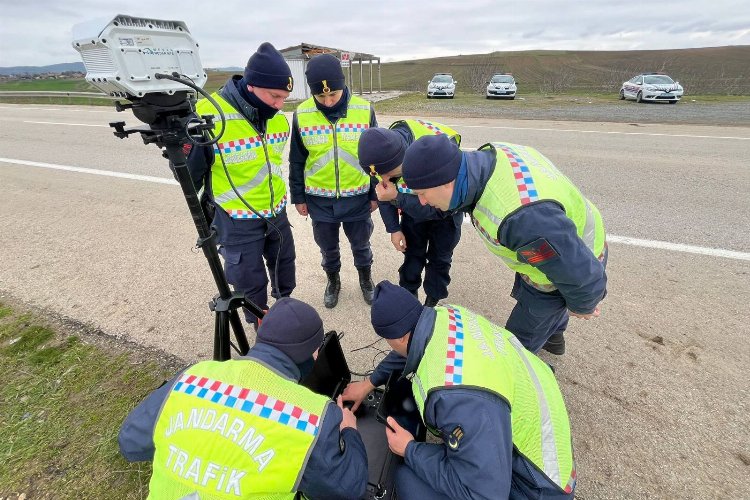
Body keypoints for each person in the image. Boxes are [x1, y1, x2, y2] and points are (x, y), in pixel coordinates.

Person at [342, 281, 576, 500]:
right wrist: (369, 383)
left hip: (537, 486)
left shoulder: (455, 398)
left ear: (400, 337)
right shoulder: (445, 315)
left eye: (388, 340)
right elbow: (408, 350)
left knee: (405, 479)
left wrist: (410, 450)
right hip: (543, 434)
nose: (390, 346)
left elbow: (486, 494)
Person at [118, 297, 368, 500]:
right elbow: (348, 490)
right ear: (311, 354)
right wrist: (349, 431)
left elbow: (130, 442)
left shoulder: (193, 378)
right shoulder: (310, 416)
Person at [401, 134, 608, 355]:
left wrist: (583, 303)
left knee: (517, 344)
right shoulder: (486, 161)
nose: (422, 201)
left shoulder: (521, 219)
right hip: (563, 241)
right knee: (546, 306)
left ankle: (520, 373)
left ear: (446, 181)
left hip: (573, 260)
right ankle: (554, 337)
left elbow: (577, 273)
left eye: (422, 194)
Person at [187, 42, 296, 329]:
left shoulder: (278, 120)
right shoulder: (208, 116)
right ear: (252, 85)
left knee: (285, 270)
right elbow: (188, 174)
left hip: (276, 212)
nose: (279, 105)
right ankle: (262, 328)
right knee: (250, 284)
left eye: (285, 98)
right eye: (275, 96)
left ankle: (284, 315)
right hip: (236, 219)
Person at [289, 53, 378, 309]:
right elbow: (297, 159)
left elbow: (375, 154)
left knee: (361, 246)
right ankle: (333, 281)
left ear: (343, 85)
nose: (328, 101)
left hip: (357, 196)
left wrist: (374, 194)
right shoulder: (302, 114)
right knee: (328, 249)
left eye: (333, 95)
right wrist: (299, 197)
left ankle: (366, 280)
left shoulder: (363, 109)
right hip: (319, 199)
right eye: (321, 96)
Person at [357, 121, 463, 307]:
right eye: (379, 176)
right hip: (412, 215)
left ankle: (432, 302)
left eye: (389, 174)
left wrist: (397, 197)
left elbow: (440, 209)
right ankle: (409, 295)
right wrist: (394, 228)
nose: (384, 180)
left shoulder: (437, 153)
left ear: (403, 159)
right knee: (412, 255)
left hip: (446, 216)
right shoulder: (379, 157)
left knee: (440, 260)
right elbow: (384, 195)